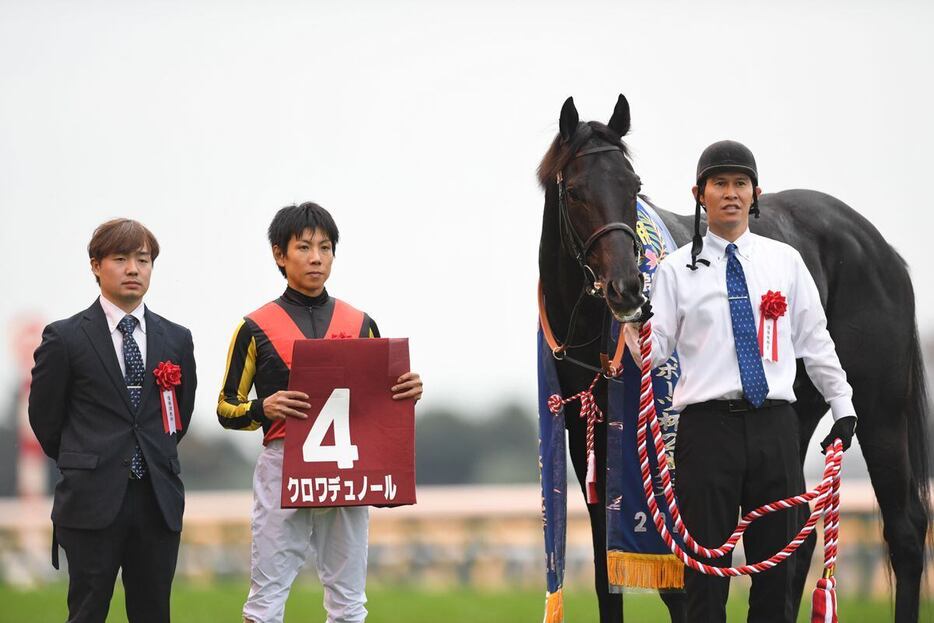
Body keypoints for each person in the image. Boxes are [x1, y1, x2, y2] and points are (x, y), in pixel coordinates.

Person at [624, 140, 857, 623]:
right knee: (705, 576)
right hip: (707, 433)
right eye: (719, 184)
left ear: (755, 194)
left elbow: (815, 340)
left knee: (777, 573)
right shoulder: (672, 273)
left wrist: (842, 406)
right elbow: (655, 352)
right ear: (699, 194)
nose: (730, 193)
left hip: (775, 426)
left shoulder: (785, 262)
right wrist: (634, 322)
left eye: (740, 184)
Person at [217, 202, 423, 623]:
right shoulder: (253, 327)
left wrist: (407, 392)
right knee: (267, 597)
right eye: (304, 247)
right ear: (279, 254)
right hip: (283, 461)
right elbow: (225, 407)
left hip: (347, 466)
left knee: (349, 600)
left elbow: (377, 404)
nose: (316, 257)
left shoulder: (361, 322)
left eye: (325, 248)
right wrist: (263, 407)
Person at [29, 218, 197, 623]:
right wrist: (86, 458)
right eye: (121, 259)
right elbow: (45, 419)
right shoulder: (65, 337)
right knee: (87, 611)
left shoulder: (176, 338)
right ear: (95, 265)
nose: (134, 269)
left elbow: (179, 416)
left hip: (157, 499)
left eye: (143, 260)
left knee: (153, 612)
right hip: (91, 499)